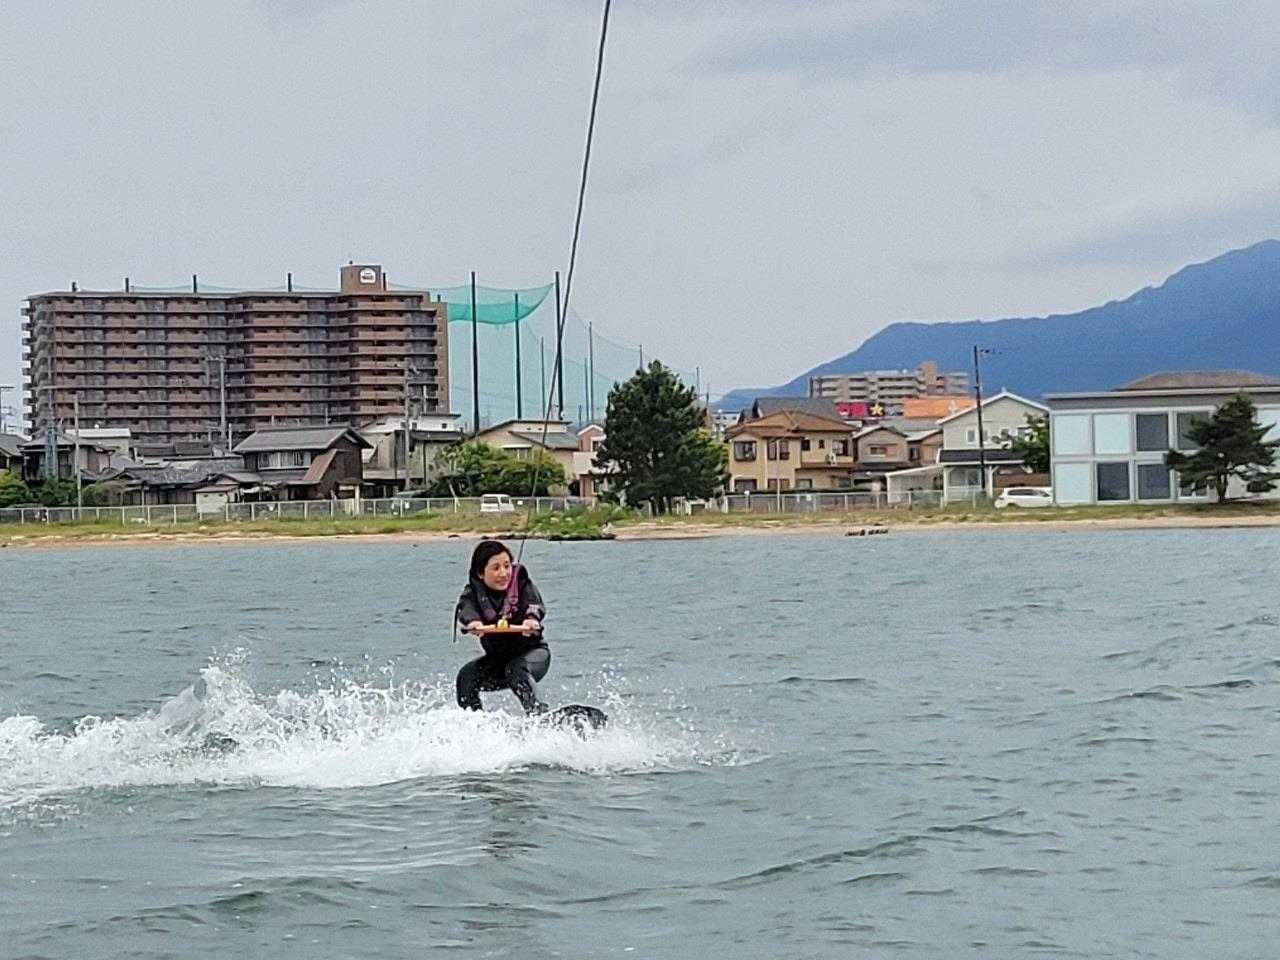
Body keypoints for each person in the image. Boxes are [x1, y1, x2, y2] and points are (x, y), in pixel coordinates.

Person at [454, 539, 550, 714]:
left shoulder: (522, 584)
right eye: (496, 568)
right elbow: (467, 610)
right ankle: (474, 721)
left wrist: (530, 620)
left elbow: (534, 605)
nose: (504, 573)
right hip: (498, 662)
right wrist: (474, 623)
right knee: (466, 676)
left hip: (533, 656)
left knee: (516, 669)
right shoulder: (472, 593)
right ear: (480, 573)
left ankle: (538, 715)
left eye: (507, 566)